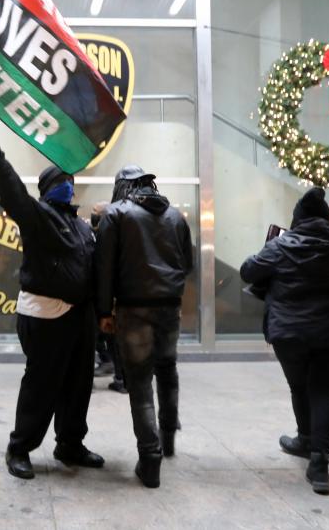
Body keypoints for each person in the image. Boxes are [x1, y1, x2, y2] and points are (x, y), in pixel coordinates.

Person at [0, 121, 103, 480]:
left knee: (79, 385)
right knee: (41, 386)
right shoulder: (38, 217)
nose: (68, 187)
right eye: (61, 182)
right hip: (46, 316)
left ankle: (70, 444)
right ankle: (20, 447)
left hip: (81, 318)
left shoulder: (80, 227)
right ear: (49, 190)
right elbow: (13, 194)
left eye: (70, 182)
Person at [239, 187, 329, 495]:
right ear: (327, 219)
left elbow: (247, 271)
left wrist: (270, 247)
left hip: (289, 333)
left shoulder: (282, 245)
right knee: (324, 391)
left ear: (296, 220)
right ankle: (319, 464)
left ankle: (305, 439)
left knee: (299, 386)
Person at [95, 165, 193, 488]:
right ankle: (168, 440)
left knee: (139, 382)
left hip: (133, 308)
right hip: (169, 307)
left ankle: (150, 459)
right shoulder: (176, 216)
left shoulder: (117, 214)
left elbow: (104, 266)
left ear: (122, 186)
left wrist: (103, 311)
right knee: (168, 370)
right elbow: (188, 264)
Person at [90, 201, 126, 394]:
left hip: (100, 297)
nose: (93, 216)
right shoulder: (120, 235)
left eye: (95, 213)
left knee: (96, 338)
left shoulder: (100, 236)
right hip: (111, 296)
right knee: (112, 339)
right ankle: (121, 378)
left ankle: (92, 380)